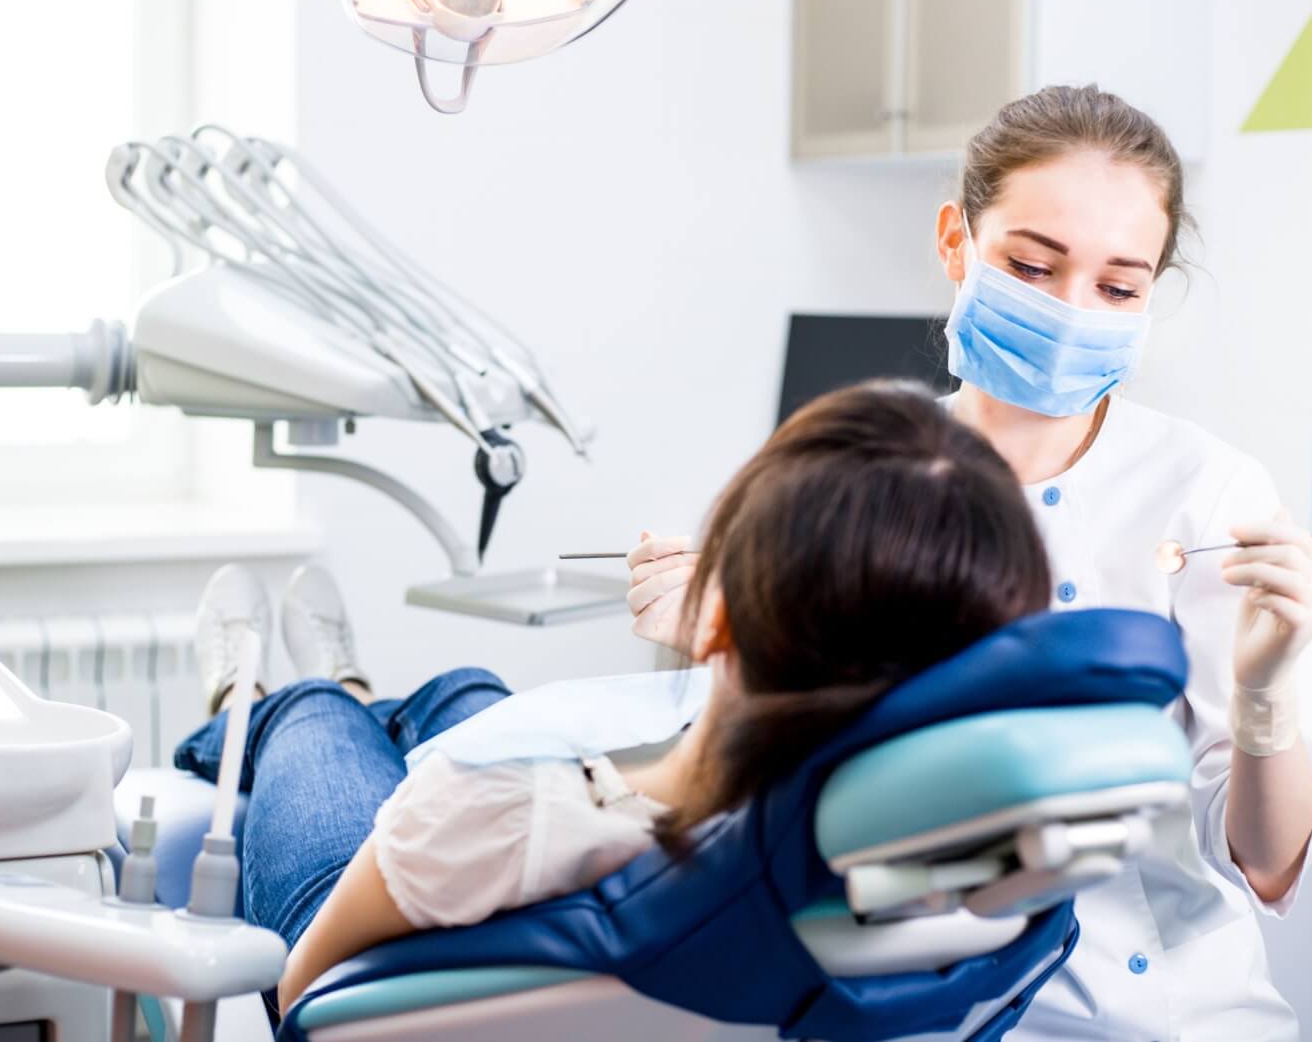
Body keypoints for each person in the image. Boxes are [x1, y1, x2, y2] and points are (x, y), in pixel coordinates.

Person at [629, 85, 1312, 1040]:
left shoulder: (1209, 495)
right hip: (911, 1011)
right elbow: (775, 830)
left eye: (1118, 287)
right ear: (957, 242)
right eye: (1031, 266)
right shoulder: (850, 480)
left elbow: (1264, 861)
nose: (1069, 311)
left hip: (1166, 1018)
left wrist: (1266, 698)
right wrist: (723, 647)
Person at [177, 381, 1053, 1017]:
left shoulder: (491, 805)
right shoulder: (943, 862)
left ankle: (265, 695)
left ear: (718, 617)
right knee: (472, 696)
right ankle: (387, 698)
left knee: (316, 721)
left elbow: (305, 1000)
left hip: (417, 888)